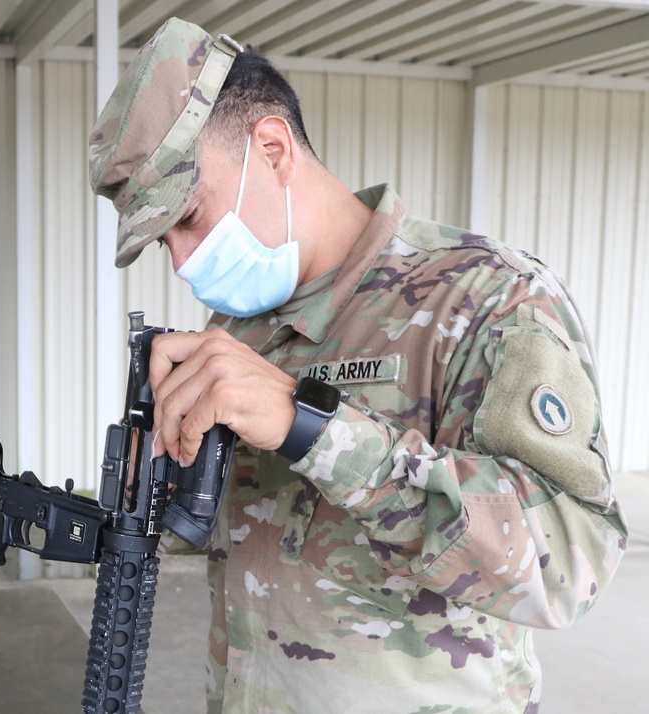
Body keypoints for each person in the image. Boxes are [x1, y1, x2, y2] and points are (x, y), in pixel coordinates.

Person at [88, 17, 627, 714]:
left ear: (273, 148)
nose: (185, 261)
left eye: (189, 217)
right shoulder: (241, 329)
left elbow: (571, 563)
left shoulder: (489, 295)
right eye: (166, 243)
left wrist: (312, 428)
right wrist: (153, 487)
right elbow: (256, 543)